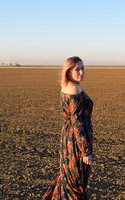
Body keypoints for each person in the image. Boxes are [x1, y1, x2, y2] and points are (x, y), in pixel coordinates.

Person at [42, 56, 94, 199]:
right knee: (76, 183)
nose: (81, 72)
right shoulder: (74, 89)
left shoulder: (67, 86)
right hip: (76, 142)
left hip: (69, 138)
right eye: (77, 69)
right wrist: (86, 151)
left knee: (69, 179)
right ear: (68, 71)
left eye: (83, 68)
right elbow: (77, 123)